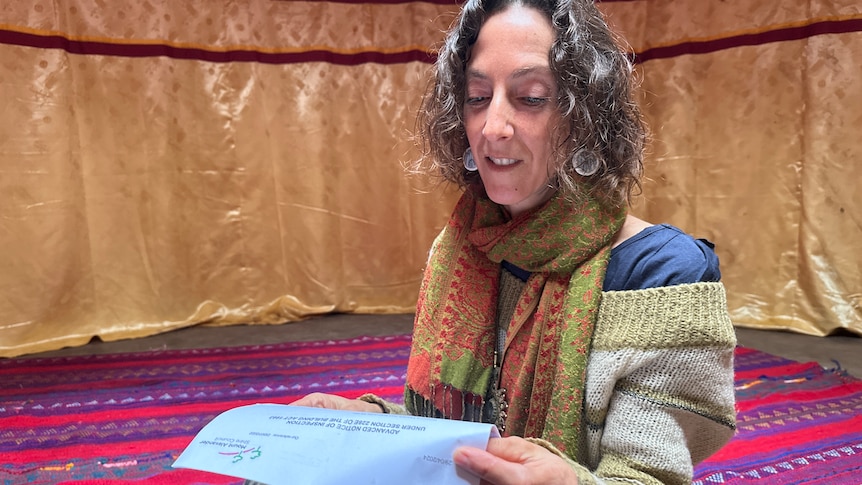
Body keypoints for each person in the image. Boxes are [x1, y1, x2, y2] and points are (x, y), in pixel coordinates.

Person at [277, 0, 738, 483]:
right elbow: (460, 441)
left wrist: (567, 481)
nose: (492, 127)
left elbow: (648, 477)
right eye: (477, 98)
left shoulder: (661, 274)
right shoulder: (463, 247)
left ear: (585, 117)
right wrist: (369, 425)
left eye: (532, 97)